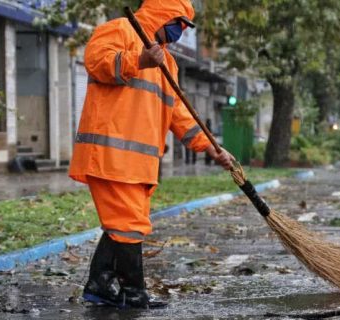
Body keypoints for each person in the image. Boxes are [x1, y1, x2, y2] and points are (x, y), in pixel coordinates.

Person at [68, 0, 234, 309]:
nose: (179, 32)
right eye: (178, 23)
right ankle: (134, 293)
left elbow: (179, 114)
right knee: (130, 225)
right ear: (162, 13)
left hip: (138, 164)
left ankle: (100, 284)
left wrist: (212, 147)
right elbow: (98, 62)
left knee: (125, 224)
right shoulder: (118, 30)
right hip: (108, 156)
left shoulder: (168, 64)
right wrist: (139, 60)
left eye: (184, 28)